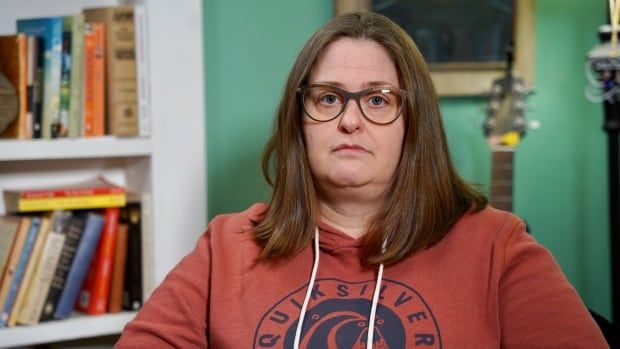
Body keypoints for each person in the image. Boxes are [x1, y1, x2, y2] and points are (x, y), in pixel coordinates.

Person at [116, 12, 607, 348]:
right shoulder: (226, 245)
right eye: (329, 98)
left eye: (378, 99)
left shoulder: (498, 246)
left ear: (412, 123)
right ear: (299, 120)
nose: (350, 121)